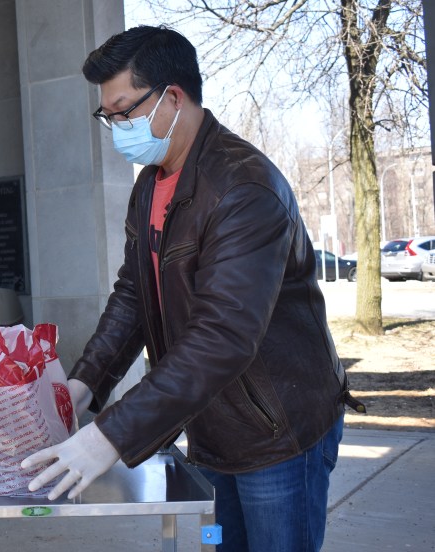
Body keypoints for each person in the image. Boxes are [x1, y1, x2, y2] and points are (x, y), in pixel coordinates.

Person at [23, 26, 363, 552]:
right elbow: (134, 295)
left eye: (123, 112)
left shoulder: (243, 187)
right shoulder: (151, 183)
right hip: (210, 420)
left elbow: (222, 335)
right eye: (107, 116)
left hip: (276, 430)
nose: (116, 129)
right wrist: (82, 386)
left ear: (173, 97)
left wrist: (110, 434)